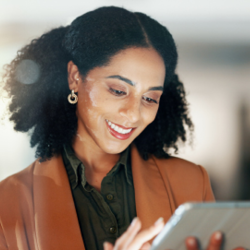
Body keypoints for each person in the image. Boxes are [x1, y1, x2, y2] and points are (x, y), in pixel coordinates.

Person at [0, 6, 239, 250]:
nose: (134, 114)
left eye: (149, 98)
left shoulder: (190, 182)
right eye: (118, 91)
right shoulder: (8, 201)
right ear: (74, 77)